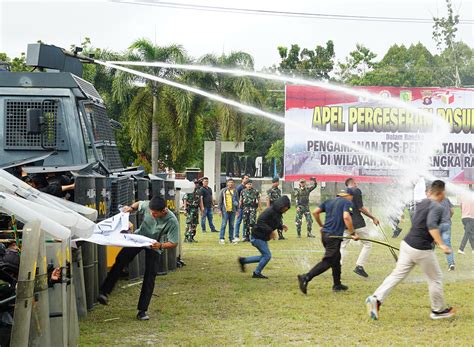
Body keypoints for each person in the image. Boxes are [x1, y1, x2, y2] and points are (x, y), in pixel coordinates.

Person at [366, 180, 455, 321]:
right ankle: (438, 311)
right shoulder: (437, 207)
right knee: (435, 279)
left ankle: (376, 299)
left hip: (407, 244)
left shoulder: (422, 203)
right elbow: (431, 226)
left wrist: (433, 239)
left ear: (430, 191)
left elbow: (421, 224)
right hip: (421, 249)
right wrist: (442, 244)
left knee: (397, 275)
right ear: (442, 192)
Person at [98, 196, 179, 321]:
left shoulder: (172, 221)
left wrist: (161, 245)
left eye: (155, 213)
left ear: (164, 211)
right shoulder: (148, 206)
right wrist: (130, 208)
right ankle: (104, 292)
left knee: (150, 275)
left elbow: (173, 242)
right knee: (121, 260)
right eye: (151, 212)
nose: (152, 215)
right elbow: (138, 204)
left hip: (155, 245)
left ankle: (142, 310)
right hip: (139, 238)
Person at [297, 189, 357, 294]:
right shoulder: (347, 202)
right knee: (328, 261)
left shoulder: (329, 201)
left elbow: (315, 212)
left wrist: (322, 226)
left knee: (336, 259)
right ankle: (306, 277)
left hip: (325, 235)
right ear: (348, 196)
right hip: (334, 237)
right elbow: (346, 217)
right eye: (352, 196)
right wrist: (353, 234)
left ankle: (337, 284)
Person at [238, 196, 290, 279]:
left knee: (264, 256)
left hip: (262, 237)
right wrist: (271, 231)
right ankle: (256, 273)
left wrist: (281, 226)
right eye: (286, 207)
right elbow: (260, 221)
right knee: (267, 256)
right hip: (257, 237)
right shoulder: (270, 211)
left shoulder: (277, 212)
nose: (286, 210)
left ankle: (244, 261)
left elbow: (273, 222)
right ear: (281, 205)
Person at [340, 178, 380, 278]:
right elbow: (360, 208)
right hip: (357, 224)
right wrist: (373, 218)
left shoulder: (343, 193)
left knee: (342, 245)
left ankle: (337, 266)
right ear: (352, 183)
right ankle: (359, 266)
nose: (357, 184)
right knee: (367, 244)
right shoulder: (356, 191)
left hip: (345, 223)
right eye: (355, 183)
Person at [217, 178, 239, 244]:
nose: (231, 184)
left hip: (233, 210)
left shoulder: (235, 191)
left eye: (232, 182)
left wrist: (237, 210)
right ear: (227, 183)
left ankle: (231, 238)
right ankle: (221, 238)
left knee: (232, 225)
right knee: (224, 224)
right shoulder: (223, 191)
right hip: (225, 210)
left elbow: (237, 201)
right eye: (229, 182)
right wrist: (219, 210)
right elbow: (220, 201)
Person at [439, 197, 455, 270]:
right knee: (447, 244)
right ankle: (451, 263)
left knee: (431, 245)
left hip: (436, 225)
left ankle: (428, 265)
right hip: (446, 224)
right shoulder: (446, 199)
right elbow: (452, 211)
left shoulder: (432, 199)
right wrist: (448, 217)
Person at [234, 174, 250, 240]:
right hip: (240, 208)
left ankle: (244, 236)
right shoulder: (239, 187)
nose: (247, 179)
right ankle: (236, 236)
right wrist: (237, 207)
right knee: (238, 221)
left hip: (246, 208)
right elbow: (235, 198)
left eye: (248, 178)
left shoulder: (248, 187)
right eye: (246, 178)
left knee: (245, 222)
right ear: (242, 179)